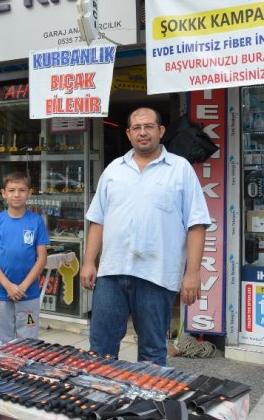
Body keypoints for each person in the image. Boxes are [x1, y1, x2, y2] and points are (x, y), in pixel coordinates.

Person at [80, 107, 211, 366]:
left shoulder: (180, 169)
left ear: (160, 131)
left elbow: (196, 225)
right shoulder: (114, 169)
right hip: (112, 273)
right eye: (137, 128)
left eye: (149, 126)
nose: (143, 132)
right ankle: (102, 403)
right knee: (100, 349)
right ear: (128, 134)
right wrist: (88, 262)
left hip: (157, 275)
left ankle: (149, 405)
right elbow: (98, 220)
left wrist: (193, 273)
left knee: (152, 351)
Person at [0, 171, 49, 342]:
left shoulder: (37, 221)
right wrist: (8, 286)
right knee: (0, 340)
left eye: (22, 190)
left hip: (29, 296)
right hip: (0, 293)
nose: (17, 194)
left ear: (29, 193)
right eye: (12, 190)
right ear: (4, 193)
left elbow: (42, 258)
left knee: (28, 339)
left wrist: (23, 287)